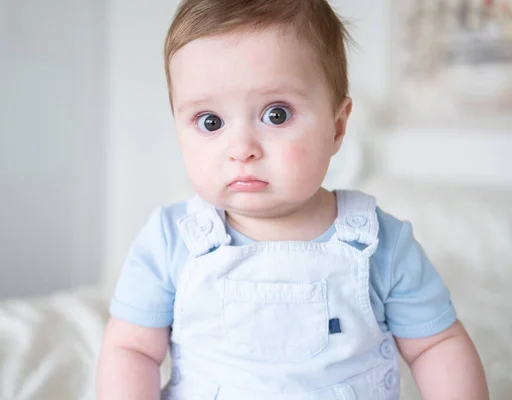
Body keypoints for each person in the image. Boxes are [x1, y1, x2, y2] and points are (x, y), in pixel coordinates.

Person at [97, 1, 489, 398]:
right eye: (210, 121)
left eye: (276, 115)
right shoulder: (171, 240)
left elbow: (435, 346)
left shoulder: (379, 244)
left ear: (337, 128)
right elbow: (131, 350)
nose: (242, 149)